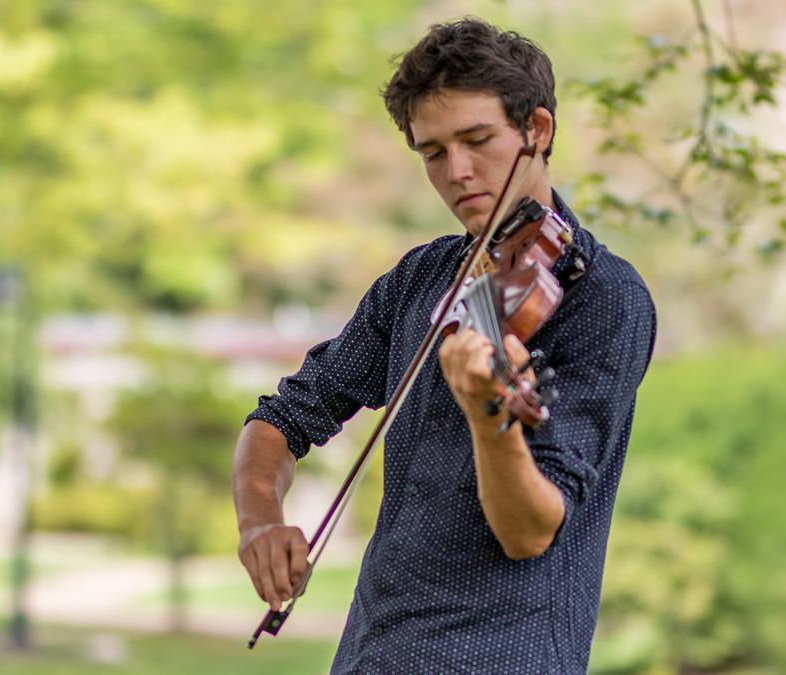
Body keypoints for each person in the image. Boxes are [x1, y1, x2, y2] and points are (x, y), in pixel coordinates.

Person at [233, 17, 656, 672]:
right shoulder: (420, 279)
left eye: (477, 140)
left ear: (536, 131)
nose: (457, 171)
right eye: (433, 152)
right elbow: (281, 420)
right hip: (374, 653)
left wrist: (490, 414)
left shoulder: (602, 298)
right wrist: (259, 518)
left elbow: (529, 529)